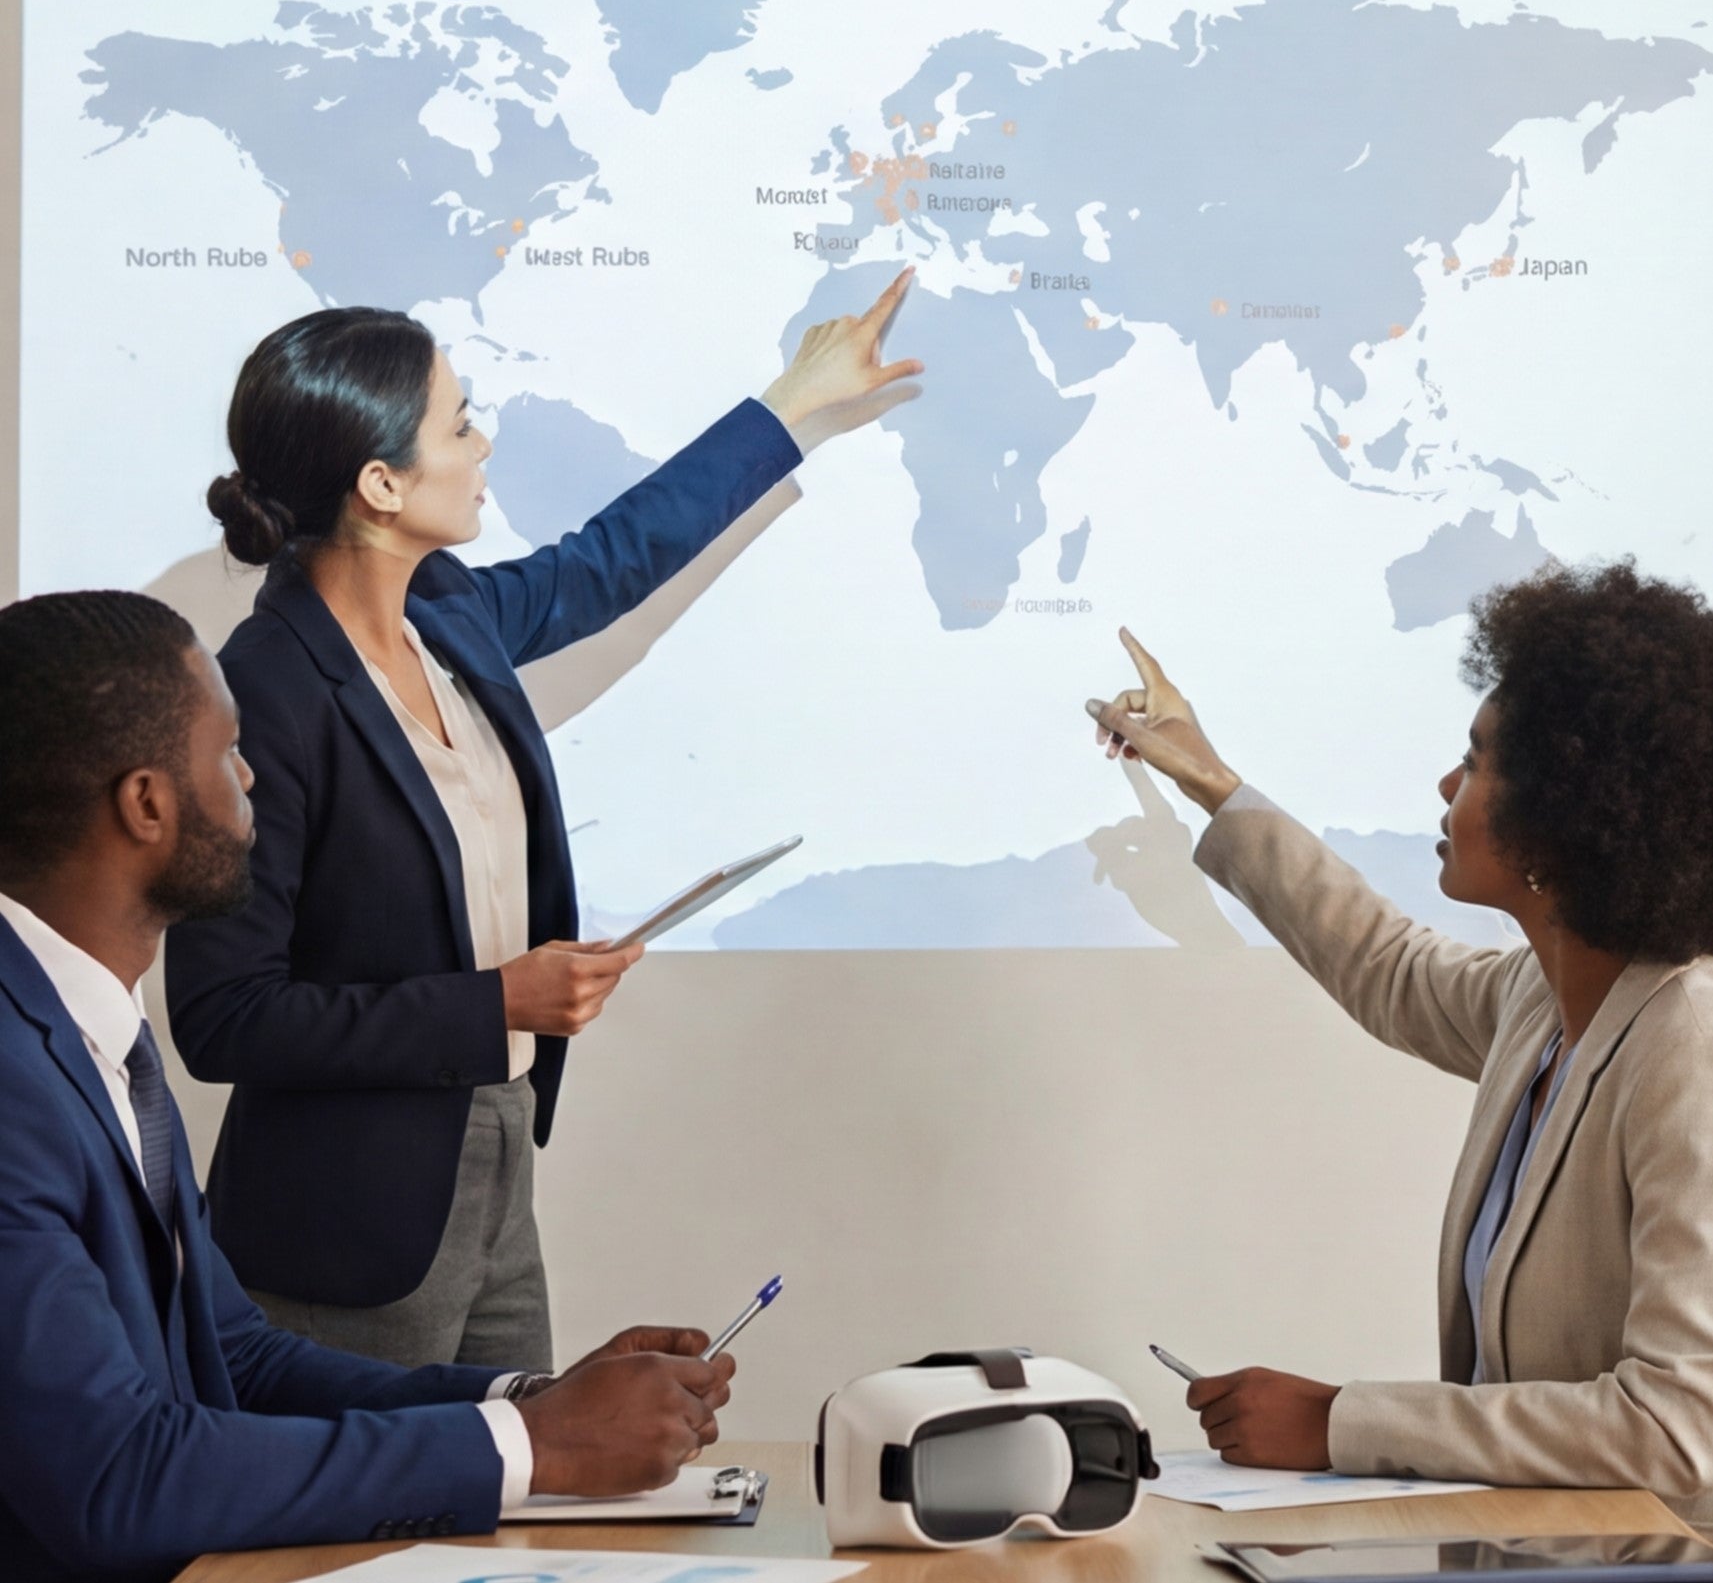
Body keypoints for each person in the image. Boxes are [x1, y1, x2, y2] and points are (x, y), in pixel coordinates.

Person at [165, 279, 922, 1369]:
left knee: (520, 1501)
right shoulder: (265, 693)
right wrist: (495, 1001)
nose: (483, 442)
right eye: (459, 423)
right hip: (348, 1225)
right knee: (368, 1525)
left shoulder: (448, 613)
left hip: (497, 1154)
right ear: (381, 483)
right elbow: (225, 1016)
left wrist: (790, 405)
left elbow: (613, 557)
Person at [0, 590, 737, 1583]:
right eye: (228, 752)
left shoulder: (91, 1030)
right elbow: (119, 1477)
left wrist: (528, 1404)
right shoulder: (12, 1083)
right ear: (146, 805)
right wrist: (535, 1450)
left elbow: (240, 1363)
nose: (253, 773)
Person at [1085, 560, 1713, 1525]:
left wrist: (1341, 1420)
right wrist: (1209, 777)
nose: (1446, 781)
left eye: (1478, 760)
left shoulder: (1689, 1042)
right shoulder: (1542, 1003)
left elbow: (1677, 1428)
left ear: (1563, 814)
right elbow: (1381, 961)